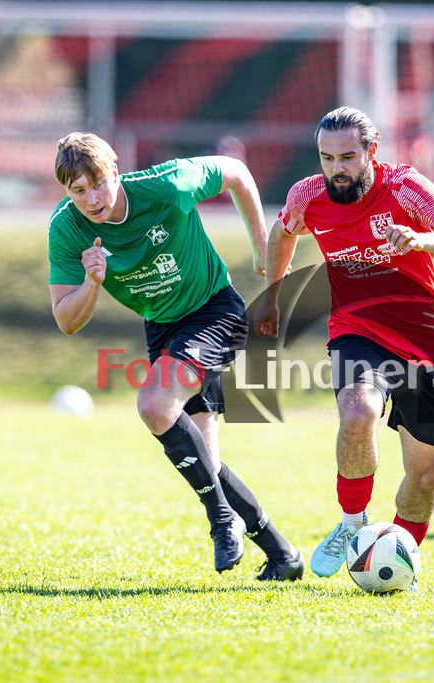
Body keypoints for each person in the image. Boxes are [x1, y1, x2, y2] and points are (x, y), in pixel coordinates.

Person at [47, 132, 304, 581]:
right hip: (162, 327)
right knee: (207, 458)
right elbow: (67, 320)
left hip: (214, 311)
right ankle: (283, 555)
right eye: (78, 191)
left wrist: (264, 246)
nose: (92, 199)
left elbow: (237, 174)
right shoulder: (66, 229)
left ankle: (223, 521)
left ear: (115, 170)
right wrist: (91, 283)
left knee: (154, 404)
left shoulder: (167, 184)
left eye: (99, 184)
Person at [253, 107, 434, 578]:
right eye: (327, 157)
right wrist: (272, 295)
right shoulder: (308, 194)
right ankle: (352, 526)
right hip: (356, 329)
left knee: (425, 475)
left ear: (371, 152)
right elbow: (282, 232)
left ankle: (398, 555)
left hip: (425, 341)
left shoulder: (405, 187)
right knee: (357, 413)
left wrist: (420, 239)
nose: (337, 168)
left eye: (348, 157)